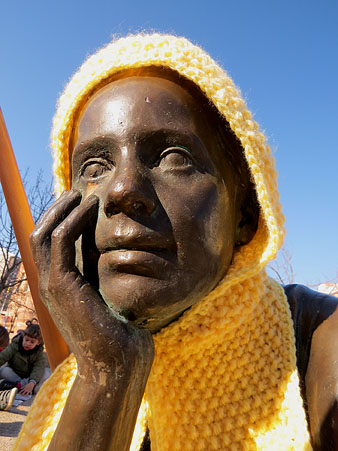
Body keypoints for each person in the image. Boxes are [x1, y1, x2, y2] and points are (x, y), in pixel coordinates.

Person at [14, 34, 337, 451]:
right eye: (94, 166)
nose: (122, 190)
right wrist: (106, 374)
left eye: (174, 157)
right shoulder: (75, 369)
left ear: (245, 213)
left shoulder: (316, 340)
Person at [0, 322, 45, 396]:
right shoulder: (15, 345)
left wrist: (31, 383)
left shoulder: (38, 353)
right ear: (23, 336)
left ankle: (25, 387)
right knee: (4, 371)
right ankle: (20, 386)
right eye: (26, 340)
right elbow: (3, 356)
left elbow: (39, 368)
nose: (28, 344)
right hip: (14, 374)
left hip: (29, 377)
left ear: (38, 343)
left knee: (46, 373)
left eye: (32, 342)